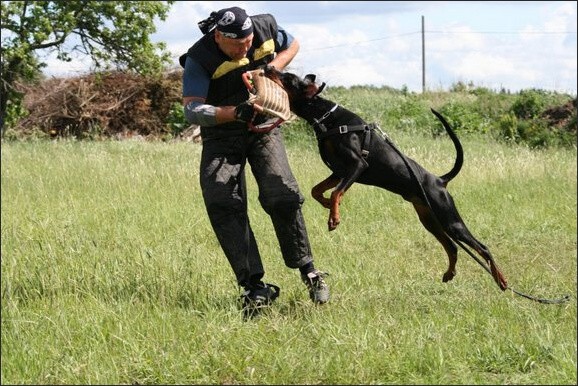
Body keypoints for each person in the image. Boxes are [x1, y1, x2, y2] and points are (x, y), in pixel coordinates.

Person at [179, 6, 330, 317]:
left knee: (282, 194)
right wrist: (234, 112)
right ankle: (253, 287)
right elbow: (192, 110)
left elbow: (293, 43)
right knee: (223, 201)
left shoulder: (265, 27)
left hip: (264, 128)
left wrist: (269, 70)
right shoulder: (200, 57)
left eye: (248, 42)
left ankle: (309, 271)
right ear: (219, 36)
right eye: (237, 44)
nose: (245, 48)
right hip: (222, 134)